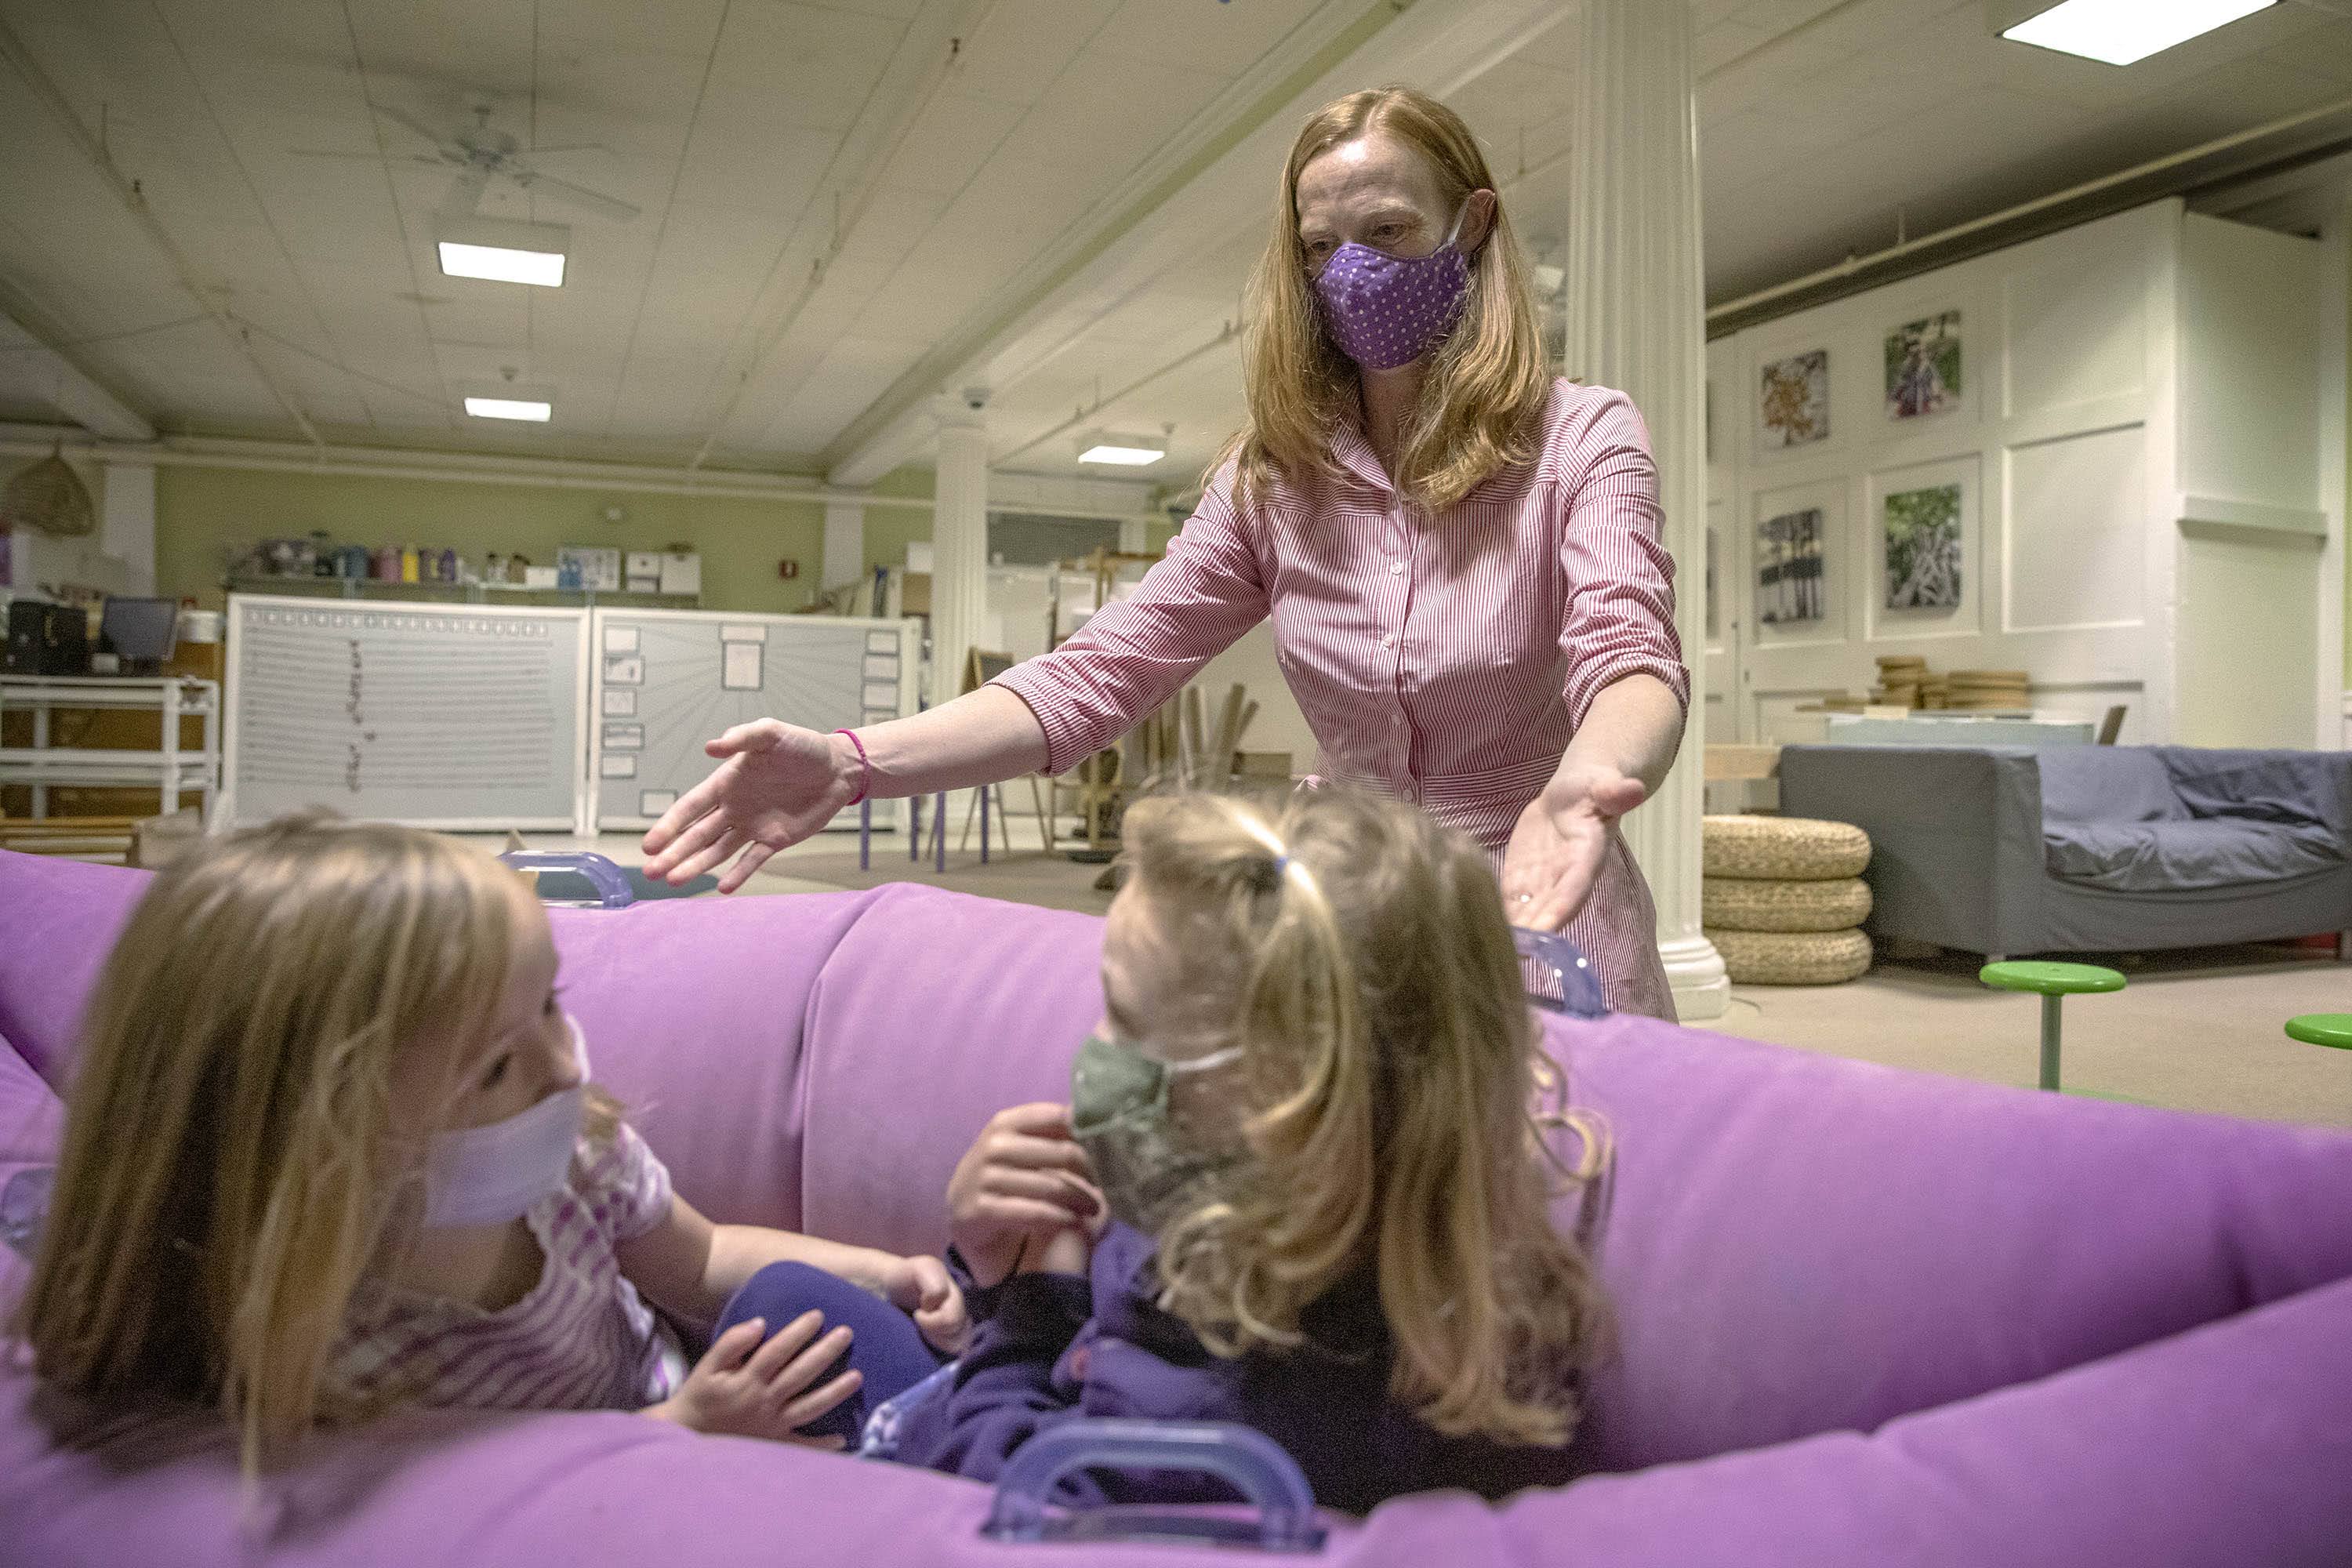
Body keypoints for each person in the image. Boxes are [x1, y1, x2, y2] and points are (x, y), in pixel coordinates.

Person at [643, 85, 1691, 1018]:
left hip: (1538, 904)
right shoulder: (1270, 481)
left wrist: (1585, 784)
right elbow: (1095, 679)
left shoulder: (1581, 438)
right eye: (1321, 247)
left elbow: (1628, 655)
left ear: (1472, 226)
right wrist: (854, 761)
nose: (1353, 271)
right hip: (1347, 917)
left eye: (1388, 229)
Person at [9, 815, 964, 1472]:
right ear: (327, 1142)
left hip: (700, 1400)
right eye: (496, 1068)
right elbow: (444, 1499)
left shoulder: (577, 1159)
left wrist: (888, 1271)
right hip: (610, 1477)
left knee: (800, 1302)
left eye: (551, 1005)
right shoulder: (304, 1322)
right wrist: (674, 1438)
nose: (564, 1067)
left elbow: (704, 1258)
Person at [867, 789, 1612, 1514]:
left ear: (1284, 1103)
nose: (1096, 1048)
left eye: (1124, 1017)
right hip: (993, 1376)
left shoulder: (1228, 1419)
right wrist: (987, 1260)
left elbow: (1005, 1496)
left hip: (972, 1445)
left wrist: (1032, 1296)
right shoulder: (1283, 1201)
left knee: (781, 1315)